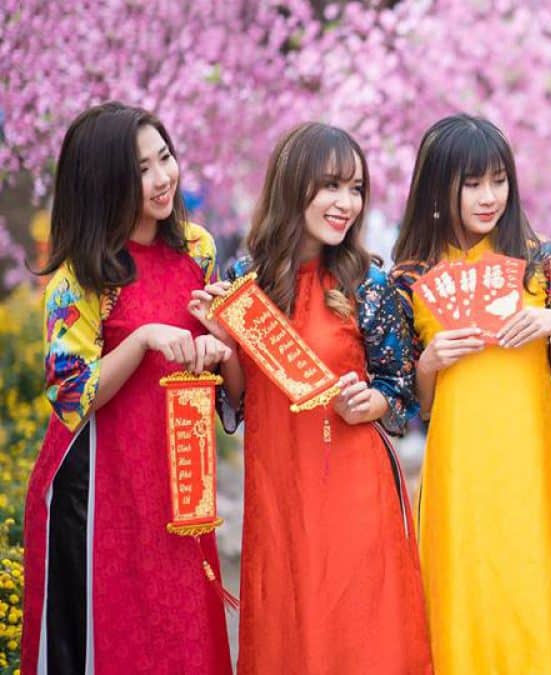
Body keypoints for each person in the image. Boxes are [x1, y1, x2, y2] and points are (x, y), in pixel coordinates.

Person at [189, 122, 431, 673]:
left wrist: (366, 402)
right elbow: (242, 403)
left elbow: (400, 392)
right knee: (288, 632)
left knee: (357, 635)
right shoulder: (245, 281)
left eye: (356, 189)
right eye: (331, 187)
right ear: (293, 184)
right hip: (277, 489)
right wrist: (225, 345)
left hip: (350, 486)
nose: (346, 203)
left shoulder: (366, 282)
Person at [23, 102, 233, 674]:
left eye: (164, 157)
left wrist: (216, 344)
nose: (162, 178)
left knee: (185, 640)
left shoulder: (199, 250)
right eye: (140, 170)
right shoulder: (79, 279)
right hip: (98, 492)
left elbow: (210, 374)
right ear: (104, 182)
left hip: (178, 483)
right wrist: (140, 340)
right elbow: (71, 399)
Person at [390, 114, 551, 674]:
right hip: (460, 466)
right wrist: (430, 360)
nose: (488, 196)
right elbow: (415, 405)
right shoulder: (410, 276)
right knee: (465, 591)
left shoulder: (543, 261)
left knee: (536, 587)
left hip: (534, 459)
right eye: (471, 183)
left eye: (498, 180)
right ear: (437, 184)